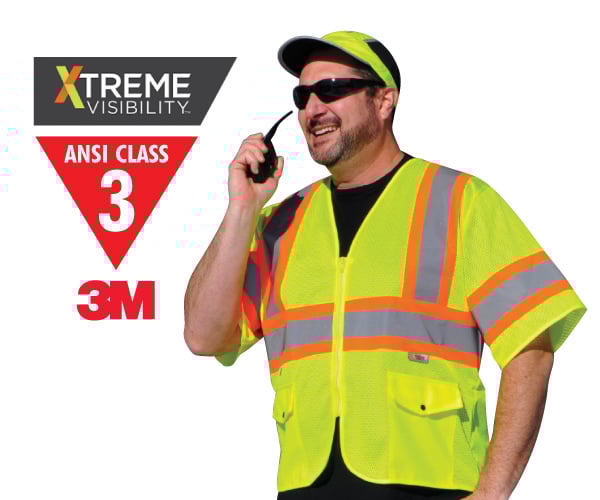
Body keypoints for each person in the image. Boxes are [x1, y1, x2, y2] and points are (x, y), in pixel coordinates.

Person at [183, 31, 587, 499]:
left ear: (384, 101)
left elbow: (531, 347)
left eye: (331, 89)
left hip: (430, 486)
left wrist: (492, 493)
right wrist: (242, 208)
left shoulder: (459, 202)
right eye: (302, 96)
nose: (313, 108)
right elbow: (203, 337)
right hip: (307, 489)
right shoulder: (278, 225)